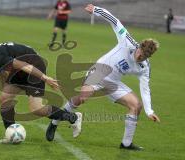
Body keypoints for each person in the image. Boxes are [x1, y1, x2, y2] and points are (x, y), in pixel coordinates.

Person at [46, 4, 160, 151]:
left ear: (148, 56)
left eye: (143, 57)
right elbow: (115, 21)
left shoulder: (144, 67)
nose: (139, 57)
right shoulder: (127, 41)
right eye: (139, 53)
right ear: (139, 46)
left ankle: (126, 144)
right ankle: (55, 122)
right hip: (99, 72)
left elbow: (145, 88)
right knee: (82, 98)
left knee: (136, 106)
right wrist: (96, 10)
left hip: (114, 82)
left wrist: (149, 111)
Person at [0, 42, 82, 143]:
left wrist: (45, 78)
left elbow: (22, 64)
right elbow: (6, 72)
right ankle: (10, 134)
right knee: (4, 98)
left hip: (34, 68)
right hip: (19, 73)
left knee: (36, 109)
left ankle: (73, 117)